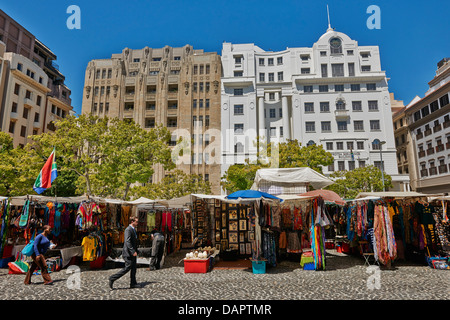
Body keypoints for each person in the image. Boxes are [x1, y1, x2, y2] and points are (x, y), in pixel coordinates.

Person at [109, 216, 140, 289]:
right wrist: (132, 251)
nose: (137, 223)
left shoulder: (133, 229)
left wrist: (136, 250)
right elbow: (127, 241)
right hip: (128, 253)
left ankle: (133, 283)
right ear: (132, 222)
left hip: (133, 252)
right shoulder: (128, 230)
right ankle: (112, 278)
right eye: (136, 221)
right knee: (127, 267)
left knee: (134, 268)